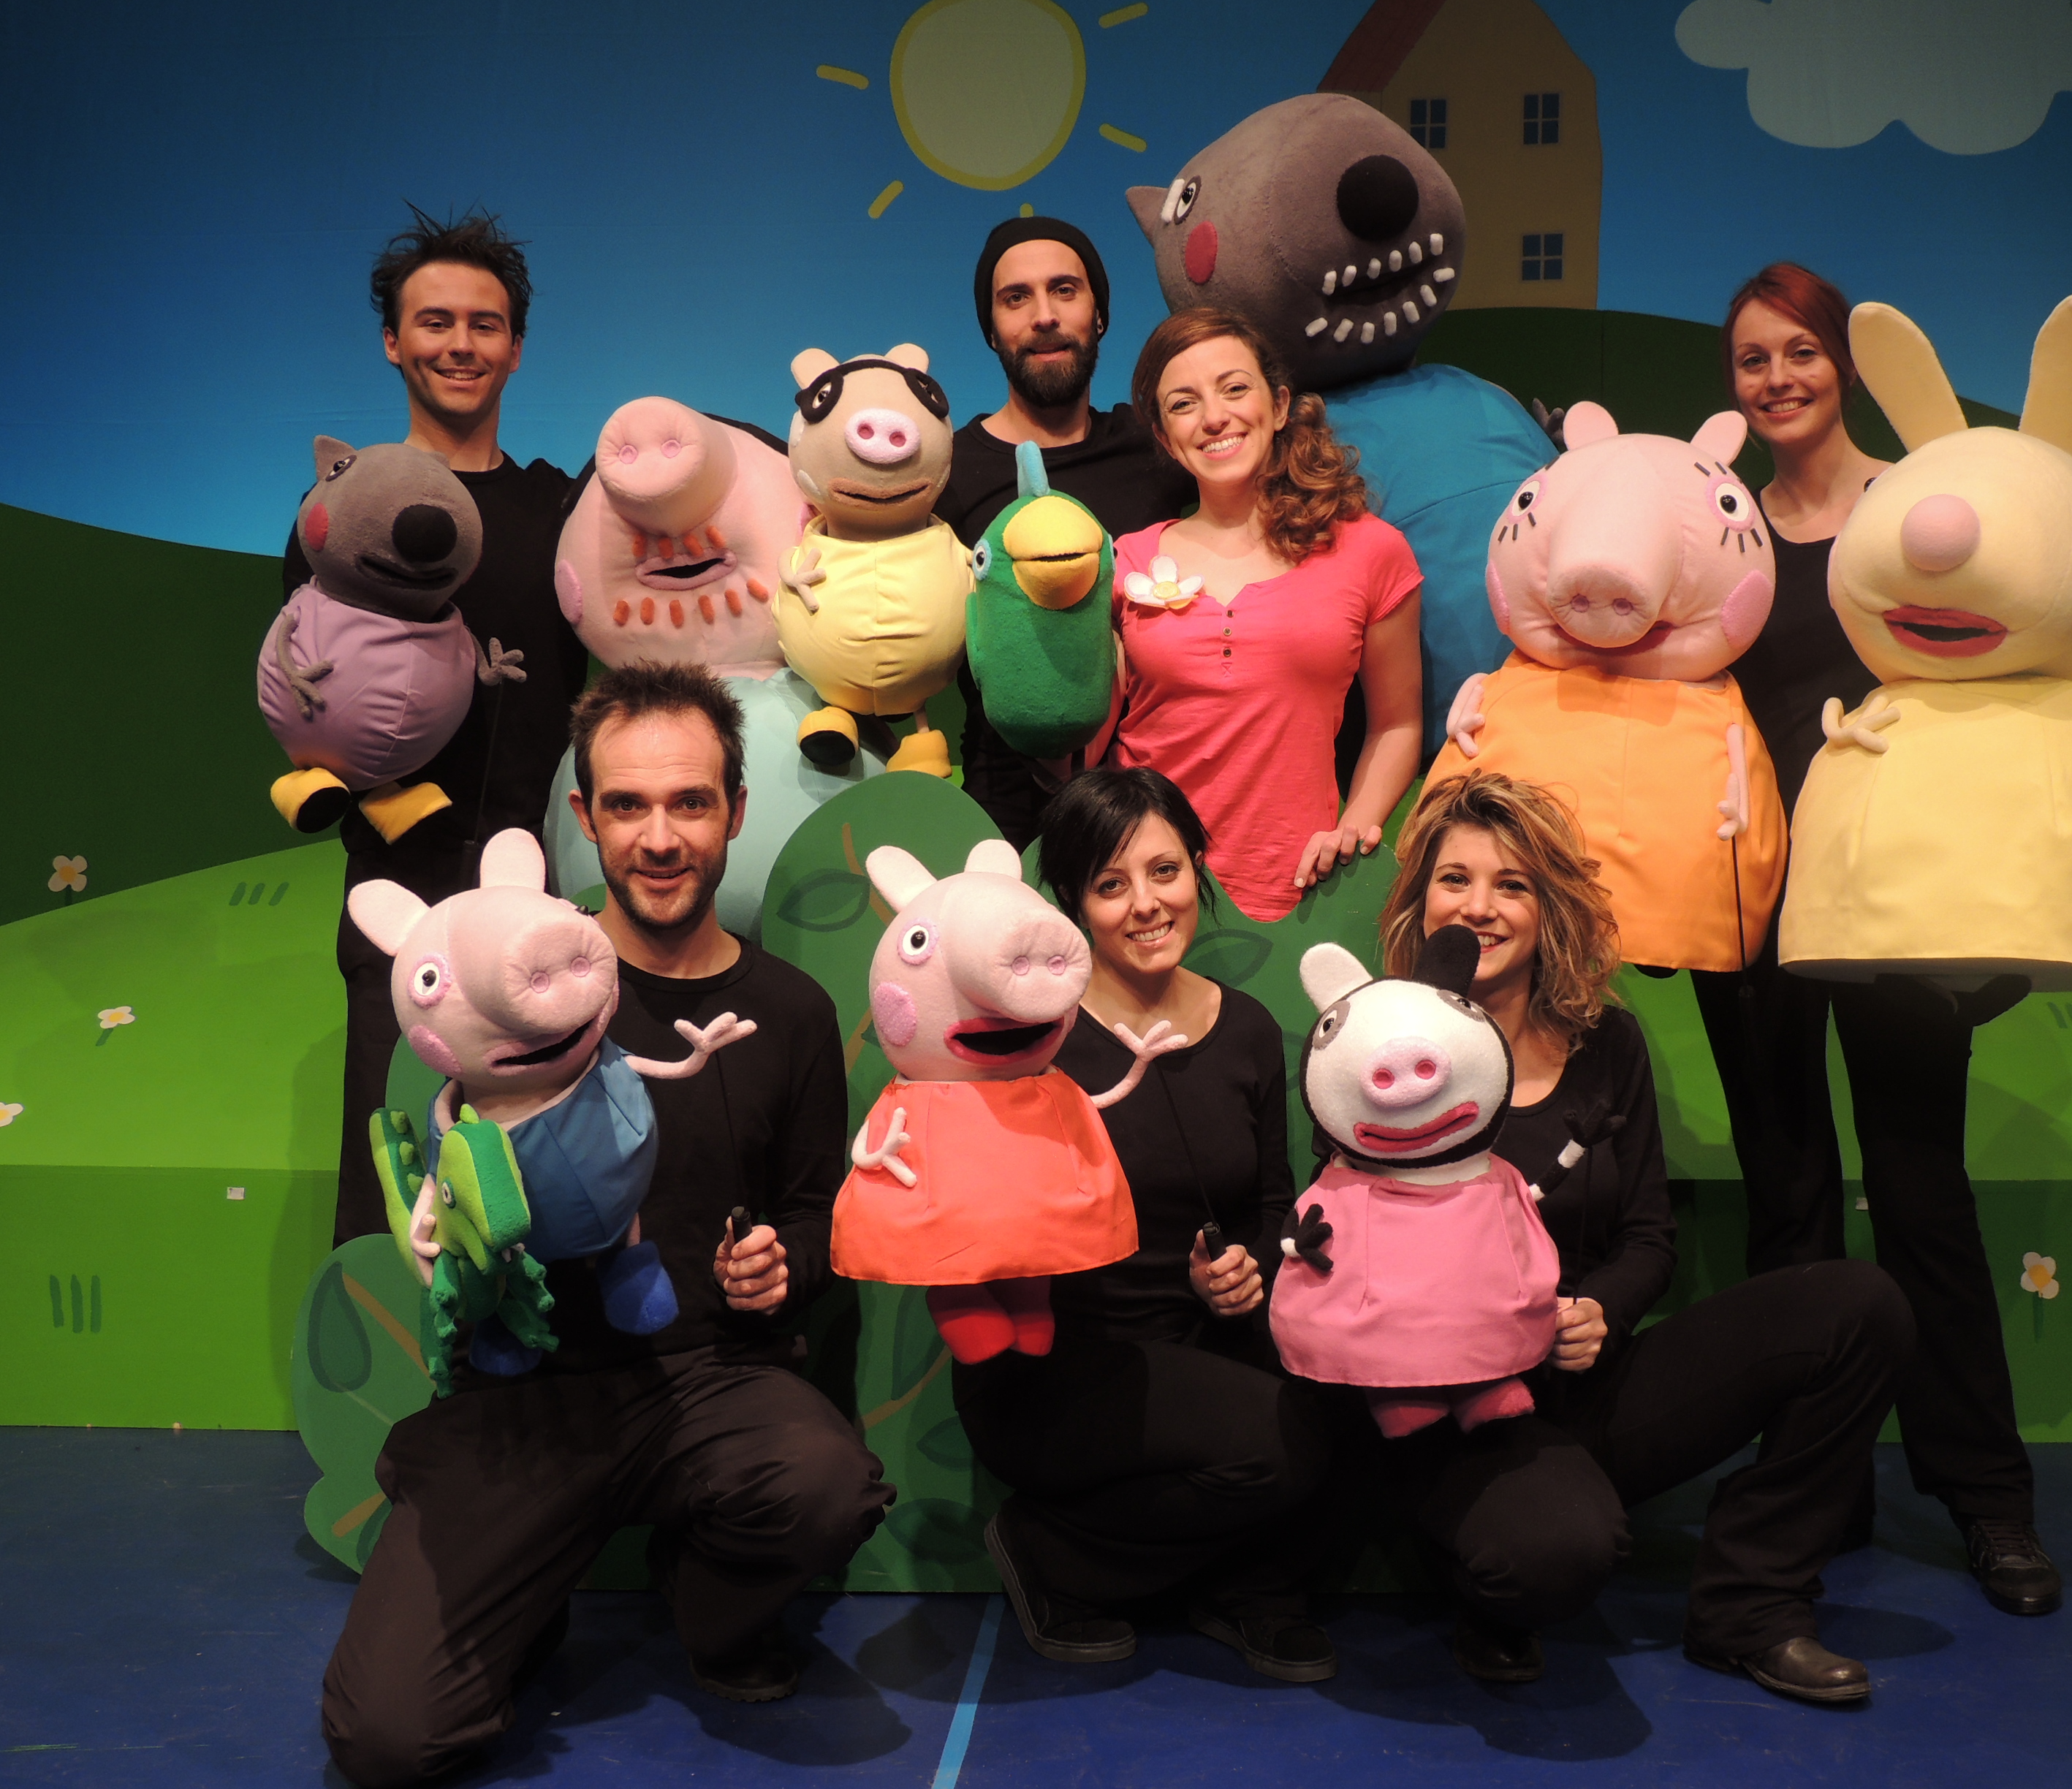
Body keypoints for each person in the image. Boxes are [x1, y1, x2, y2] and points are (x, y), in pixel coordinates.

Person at [319, 664, 892, 1788]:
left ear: (735, 809)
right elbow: (444, 1159)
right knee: (389, 1740)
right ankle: (508, 1574)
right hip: (525, 1395)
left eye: (689, 803)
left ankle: (707, 1605)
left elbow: (814, 1209)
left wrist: (784, 1262)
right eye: (627, 805)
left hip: (712, 1384)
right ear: (584, 817)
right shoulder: (507, 988)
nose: (660, 838)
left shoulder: (790, 1012)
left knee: (827, 1485)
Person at [1358, 770, 1913, 1703]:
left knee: (1862, 1306)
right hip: (1460, 1417)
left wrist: (1600, 1310)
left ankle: (1751, 1606)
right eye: (1455, 880)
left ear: (1548, 908)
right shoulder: (1375, 1048)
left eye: (1511, 884)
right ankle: (1494, 1570)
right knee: (1555, 1558)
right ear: (1421, 900)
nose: (1480, 907)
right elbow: (1354, 1259)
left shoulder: (1606, 1044)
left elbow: (1650, 1237)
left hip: (1591, 1380)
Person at [1688, 264, 2062, 1617]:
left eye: (1798, 351)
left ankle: (1987, 1499)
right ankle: (1814, 1490)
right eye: (1751, 360)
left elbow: (2003, 680)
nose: (1776, 378)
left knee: (1919, 1195)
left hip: (1894, 907)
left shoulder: (1918, 507)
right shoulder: (1721, 530)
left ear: (1841, 362)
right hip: (1753, 908)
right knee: (1787, 1200)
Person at [953, 767, 1336, 1682]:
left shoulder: (1247, 1028)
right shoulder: (1032, 1038)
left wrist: (1245, 1269)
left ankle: (1241, 1588)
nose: (1147, 904)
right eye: (1110, 884)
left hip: (1208, 1345)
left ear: (1198, 868)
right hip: (1059, 1364)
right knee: (1286, 1440)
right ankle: (1054, 1555)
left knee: (1353, 1409)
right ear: (1072, 905)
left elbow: (1272, 1204)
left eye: (1165, 870)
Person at [285, 206, 587, 1249]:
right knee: (394, 1170)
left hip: (543, 879)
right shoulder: (346, 512)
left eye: (485, 324)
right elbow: (305, 695)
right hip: (399, 882)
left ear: (517, 347)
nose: (461, 345)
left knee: (550, 1182)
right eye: (435, 322)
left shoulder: (564, 511)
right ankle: (381, 1346)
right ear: (392, 341)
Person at [1113, 308, 1424, 921]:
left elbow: (1396, 724)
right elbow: (1090, 732)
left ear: (1279, 405)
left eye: (1234, 388)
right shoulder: (1129, 558)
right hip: (1142, 891)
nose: (1214, 417)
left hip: (1297, 893)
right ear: (1164, 435)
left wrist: (1353, 832)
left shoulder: (1372, 550)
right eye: (1184, 403)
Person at [936, 217, 1197, 847]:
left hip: (1157, 806)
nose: (1044, 316)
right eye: (1015, 298)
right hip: (1006, 819)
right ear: (991, 331)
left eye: (1065, 290)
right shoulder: (947, 474)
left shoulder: (1160, 451)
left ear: (1099, 316)